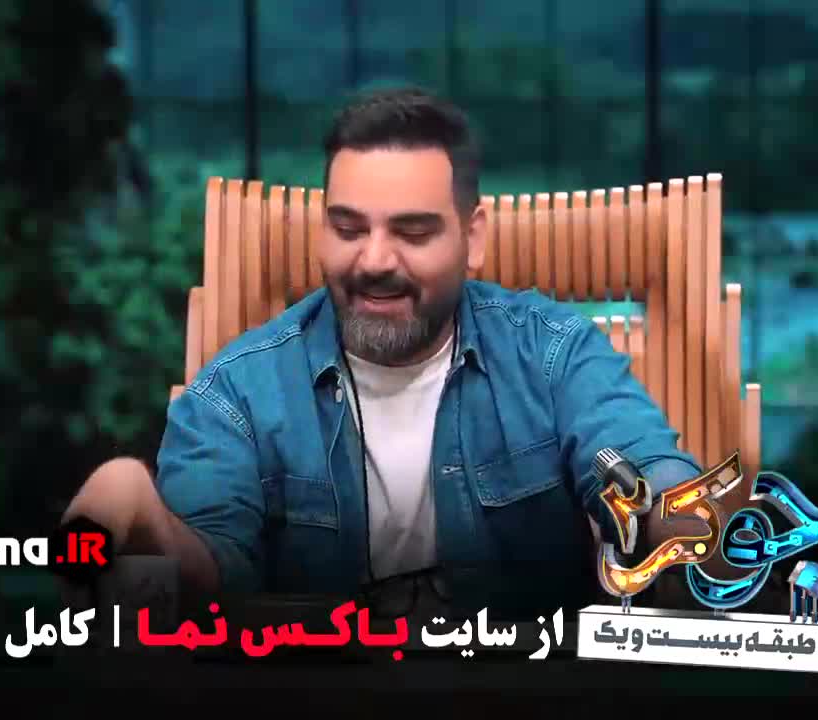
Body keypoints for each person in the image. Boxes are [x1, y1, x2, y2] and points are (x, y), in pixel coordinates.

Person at [63, 87, 702, 619]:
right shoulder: (235, 394)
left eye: (412, 232)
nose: (373, 261)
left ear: (473, 237)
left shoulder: (555, 353)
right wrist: (140, 512)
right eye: (347, 229)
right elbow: (213, 579)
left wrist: (685, 530)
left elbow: (651, 474)